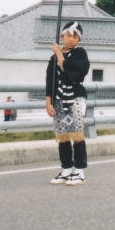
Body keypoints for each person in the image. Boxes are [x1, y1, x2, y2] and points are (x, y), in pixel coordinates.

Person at [46, 21, 91, 186]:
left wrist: (59, 53)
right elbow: (50, 80)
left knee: (77, 134)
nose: (71, 39)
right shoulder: (54, 57)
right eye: (68, 36)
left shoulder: (80, 54)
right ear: (62, 36)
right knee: (62, 136)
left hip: (76, 97)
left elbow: (71, 71)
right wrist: (48, 101)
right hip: (59, 98)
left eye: (75, 36)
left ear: (79, 39)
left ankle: (79, 171)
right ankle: (66, 169)